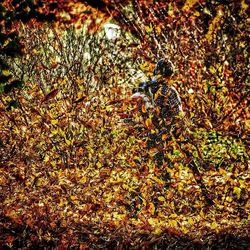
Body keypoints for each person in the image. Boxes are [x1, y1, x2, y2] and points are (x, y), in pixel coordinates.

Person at [132, 58, 183, 167]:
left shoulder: (142, 87)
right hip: (162, 137)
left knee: (142, 171)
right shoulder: (170, 90)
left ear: (156, 71)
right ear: (170, 74)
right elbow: (178, 115)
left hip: (142, 134)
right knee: (163, 170)